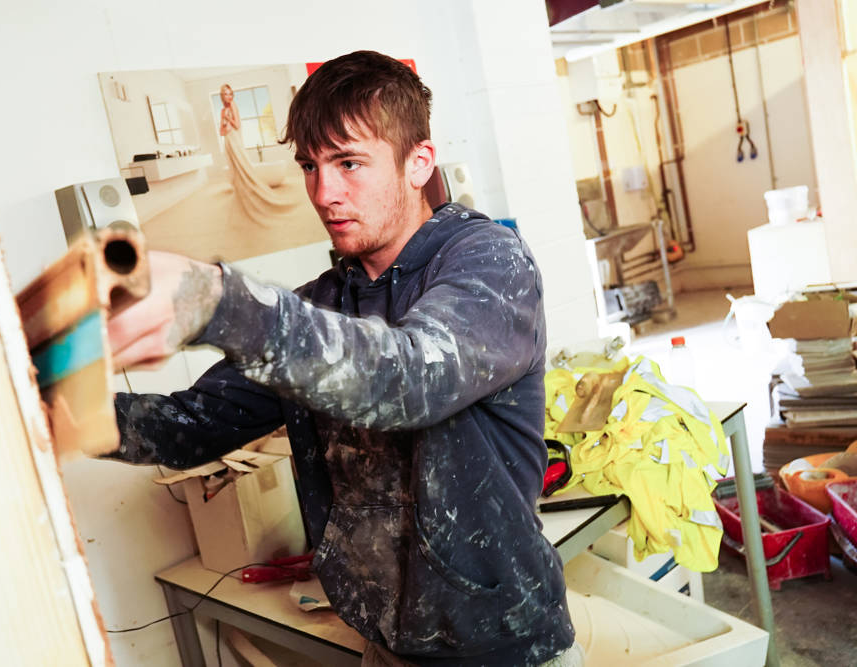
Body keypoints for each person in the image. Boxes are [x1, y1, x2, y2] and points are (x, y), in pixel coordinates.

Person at [107, 51, 581, 666]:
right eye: (311, 165)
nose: (324, 193)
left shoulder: (490, 263)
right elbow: (193, 424)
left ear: (419, 163)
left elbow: (407, 377)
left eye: (349, 163)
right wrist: (61, 408)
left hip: (503, 645)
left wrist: (221, 304)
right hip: (384, 642)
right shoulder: (324, 306)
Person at [218, 82, 292, 223]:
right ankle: (241, 197)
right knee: (235, 167)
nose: (228, 96)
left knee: (243, 166)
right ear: (222, 96)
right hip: (228, 141)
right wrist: (223, 124)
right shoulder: (222, 110)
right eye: (225, 94)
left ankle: (251, 196)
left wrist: (227, 119)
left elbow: (238, 125)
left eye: (229, 93)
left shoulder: (233, 105)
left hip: (235, 140)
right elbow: (221, 132)